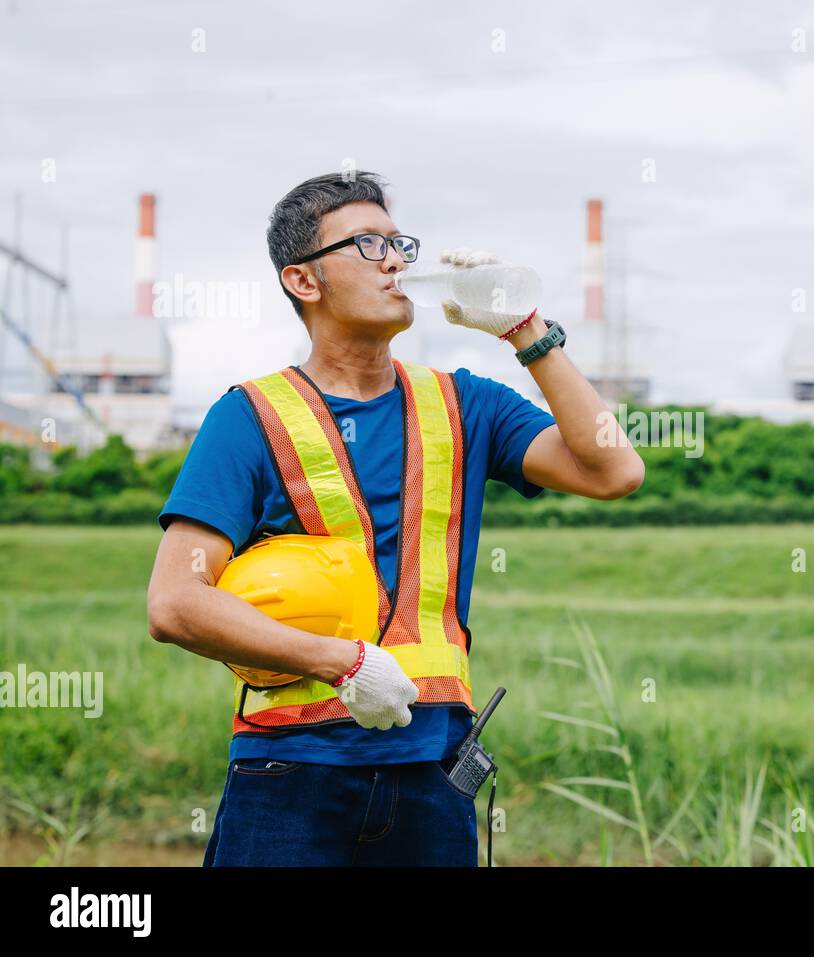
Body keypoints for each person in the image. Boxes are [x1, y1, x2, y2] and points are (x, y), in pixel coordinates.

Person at [145, 171, 644, 866]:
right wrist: (340, 661)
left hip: (431, 781)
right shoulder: (249, 418)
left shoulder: (468, 405)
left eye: (398, 243)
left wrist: (526, 331)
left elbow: (614, 468)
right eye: (368, 243)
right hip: (289, 776)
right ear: (304, 281)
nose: (396, 261)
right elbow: (175, 602)